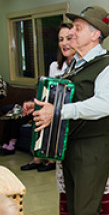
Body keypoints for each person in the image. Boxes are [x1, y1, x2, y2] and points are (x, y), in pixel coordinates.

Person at [23, 5, 109, 215]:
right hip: (73, 146)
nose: (71, 32)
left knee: (86, 212)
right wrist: (40, 105)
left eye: (78, 27)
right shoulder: (76, 64)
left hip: (94, 147)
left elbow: (102, 106)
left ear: (95, 34)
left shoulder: (108, 65)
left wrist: (59, 112)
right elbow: (64, 95)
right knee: (77, 214)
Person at [20, 22, 76, 171]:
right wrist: (35, 104)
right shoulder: (55, 67)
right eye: (60, 39)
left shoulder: (83, 66)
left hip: (76, 125)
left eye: (68, 38)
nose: (64, 43)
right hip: (58, 121)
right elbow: (51, 98)